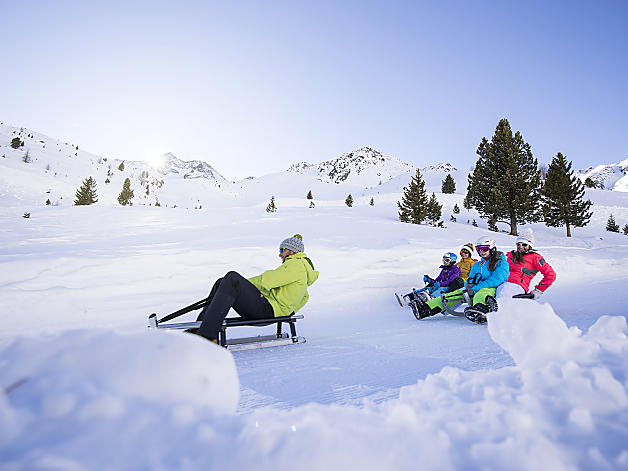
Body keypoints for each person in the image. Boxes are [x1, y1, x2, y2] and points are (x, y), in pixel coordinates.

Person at [192, 234, 319, 342]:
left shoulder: (295, 264)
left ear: (292, 251)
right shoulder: (302, 272)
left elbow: (266, 281)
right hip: (271, 312)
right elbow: (304, 298)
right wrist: (286, 312)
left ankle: (207, 335)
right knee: (223, 282)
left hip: (267, 312)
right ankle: (199, 328)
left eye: (282, 250)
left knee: (232, 278)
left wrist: (239, 286)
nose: (279, 254)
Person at [414, 236, 509, 324]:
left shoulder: (500, 262)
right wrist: (468, 285)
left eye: (484, 249)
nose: (481, 252)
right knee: (454, 294)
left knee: (482, 293)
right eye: (478, 249)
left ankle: (480, 309)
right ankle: (425, 309)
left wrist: (476, 288)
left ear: (492, 248)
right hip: (475, 288)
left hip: (493, 289)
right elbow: (470, 278)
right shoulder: (477, 265)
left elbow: (497, 279)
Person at [498, 230, 556, 299]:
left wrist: (538, 291)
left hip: (516, 286)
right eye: (518, 244)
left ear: (530, 245)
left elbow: (551, 275)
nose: (520, 247)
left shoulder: (535, 258)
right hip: (501, 284)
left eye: (524, 244)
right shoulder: (511, 256)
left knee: (503, 296)